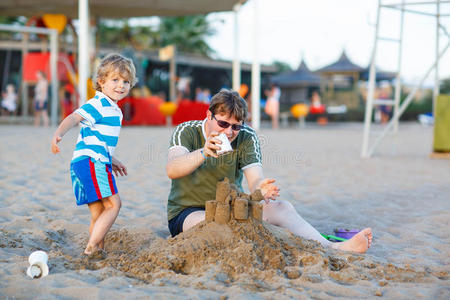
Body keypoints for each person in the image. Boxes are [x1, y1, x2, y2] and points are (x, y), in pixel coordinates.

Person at [166, 89, 372, 253]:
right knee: (220, 222)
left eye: (236, 126)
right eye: (222, 124)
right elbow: (173, 169)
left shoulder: (245, 136)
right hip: (187, 212)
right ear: (208, 115)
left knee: (282, 207)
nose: (229, 132)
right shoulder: (187, 131)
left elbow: (255, 179)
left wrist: (262, 189)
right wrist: (203, 152)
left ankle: (334, 247)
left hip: (232, 206)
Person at [51, 53, 137, 256]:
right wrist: (58, 133)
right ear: (101, 81)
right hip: (92, 162)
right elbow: (74, 117)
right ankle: (91, 248)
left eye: (126, 81)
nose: (121, 85)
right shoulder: (99, 103)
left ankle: (98, 249)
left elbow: (97, 140)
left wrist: (111, 159)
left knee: (99, 213)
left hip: (89, 161)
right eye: (115, 80)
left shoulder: (115, 109)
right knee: (114, 204)